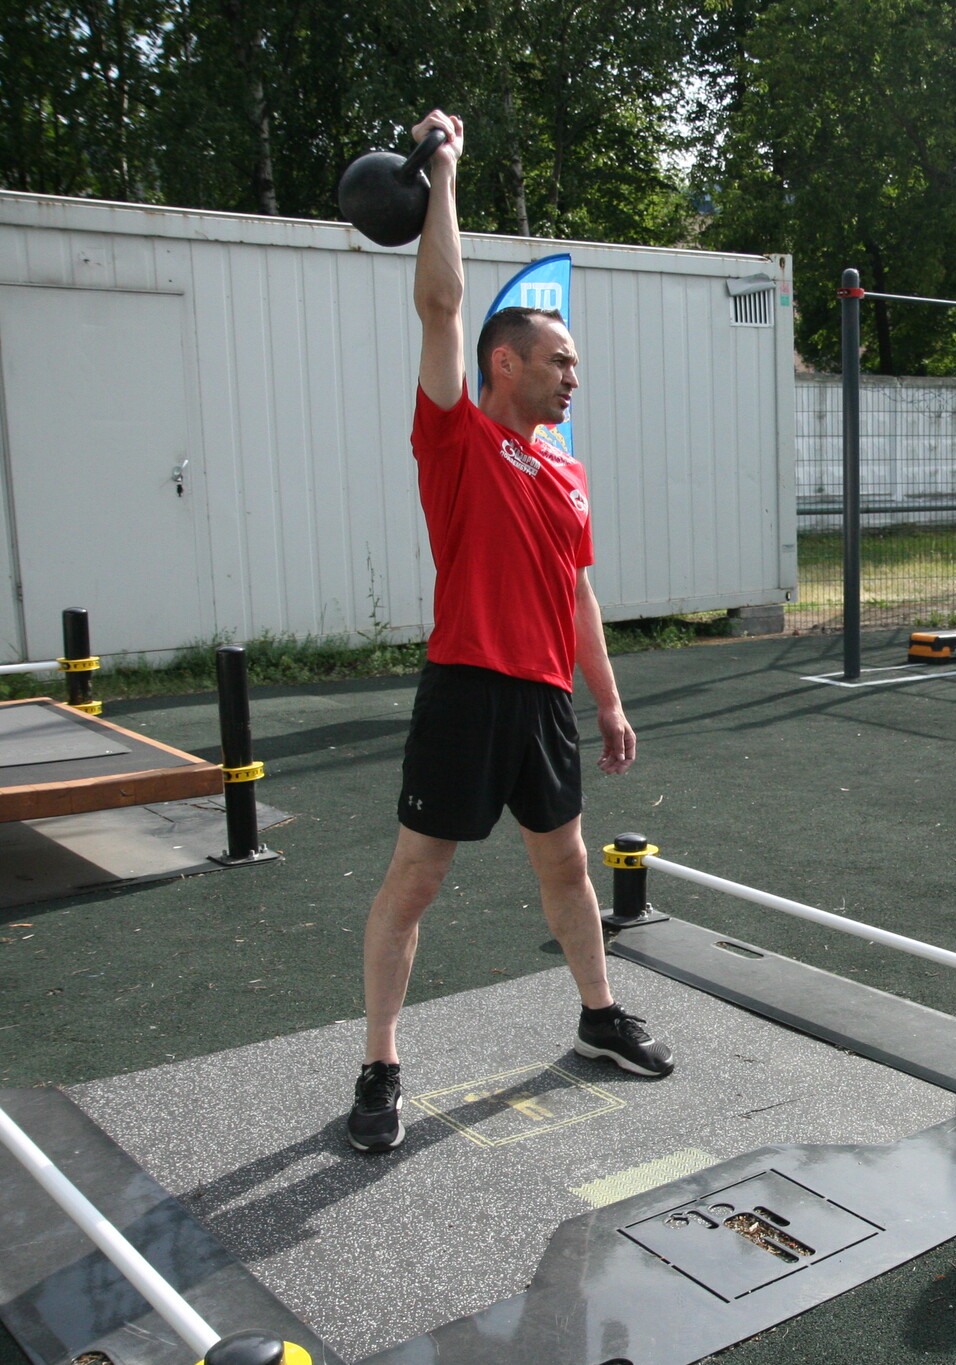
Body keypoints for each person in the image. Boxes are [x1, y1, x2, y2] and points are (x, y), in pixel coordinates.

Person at [346, 109, 673, 1155]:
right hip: (463, 690)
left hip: (541, 700)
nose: (573, 372)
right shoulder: (456, 437)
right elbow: (437, 300)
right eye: (557, 359)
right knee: (416, 881)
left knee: (568, 870)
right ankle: (380, 1067)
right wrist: (443, 173)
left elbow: (574, 590)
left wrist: (609, 702)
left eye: (574, 362)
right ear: (502, 362)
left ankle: (597, 1017)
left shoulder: (567, 470)